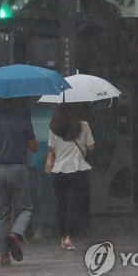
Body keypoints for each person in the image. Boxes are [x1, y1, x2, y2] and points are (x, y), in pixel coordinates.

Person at [0, 99, 38, 267]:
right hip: (18, 168)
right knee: (25, 209)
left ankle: (4, 256)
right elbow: (34, 147)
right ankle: (15, 234)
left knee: (2, 214)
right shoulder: (23, 119)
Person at [47, 104, 95, 251]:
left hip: (59, 171)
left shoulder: (54, 127)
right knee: (73, 204)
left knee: (61, 204)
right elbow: (91, 147)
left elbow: (52, 149)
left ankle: (63, 234)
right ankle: (68, 236)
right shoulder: (84, 125)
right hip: (78, 170)